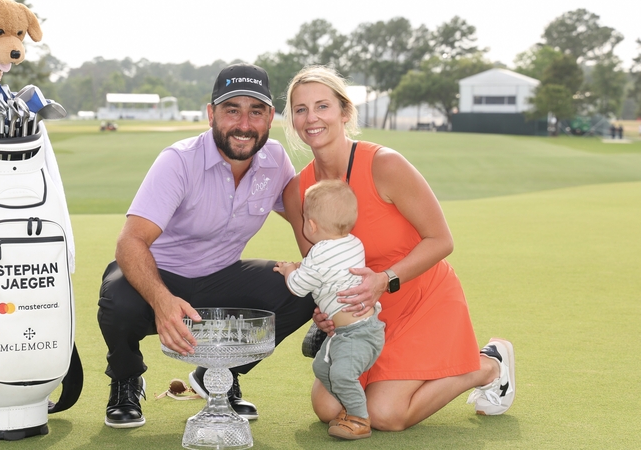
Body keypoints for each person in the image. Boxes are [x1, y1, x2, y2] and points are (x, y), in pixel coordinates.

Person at [280, 66, 516, 431]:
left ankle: (488, 365)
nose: (312, 118)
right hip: (360, 318)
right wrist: (323, 311)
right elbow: (318, 266)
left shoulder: (384, 164)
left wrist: (384, 279)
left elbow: (441, 240)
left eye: (322, 106)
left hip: (420, 296)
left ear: (344, 112)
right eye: (301, 109)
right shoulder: (298, 192)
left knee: (386, 415)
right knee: (327, 407)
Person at [97, 63, 315, 429]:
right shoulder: (179, 160)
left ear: (269, 117)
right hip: (161, 273)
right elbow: (130, 242)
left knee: (306, 289)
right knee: (118, 299)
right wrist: (162, 301)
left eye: (255, 112)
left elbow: (305, 220)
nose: (244, 124)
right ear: (211, 113)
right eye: (232, 110)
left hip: (221, 277)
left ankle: (219, 374)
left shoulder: (275, 160)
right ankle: (126, 379)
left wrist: (326, 280)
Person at [274, 179, 385, 440]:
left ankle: (359, 418)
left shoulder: (320, 254)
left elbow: (298, 287)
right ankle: (349, 408)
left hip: (358, 333)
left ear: (311, 225)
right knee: (322, 369)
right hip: (348, 333)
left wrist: (289, 269)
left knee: (341, 373)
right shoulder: (353, 243)